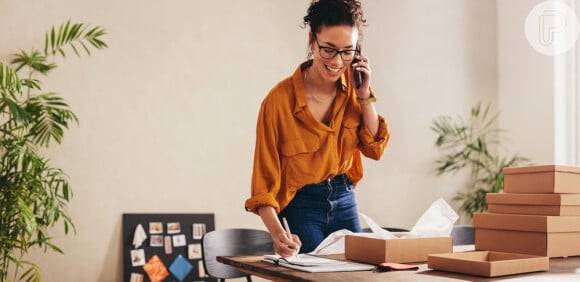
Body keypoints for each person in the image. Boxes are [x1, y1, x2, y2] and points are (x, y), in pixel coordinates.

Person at [244, 0, 390, 257]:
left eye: (348, 51)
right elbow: (263, 186)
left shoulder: (355, 89)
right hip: (303, 205)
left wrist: (365, 93)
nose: (338, 61)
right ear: (312, 40)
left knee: (360, 273)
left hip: (344, 197)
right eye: (329, 50)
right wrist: (279, 235)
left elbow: (375, 148)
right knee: (318, 276)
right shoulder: (278, 102)